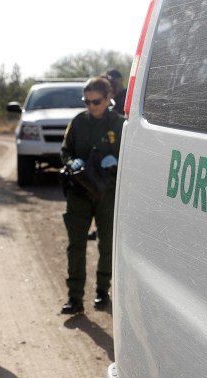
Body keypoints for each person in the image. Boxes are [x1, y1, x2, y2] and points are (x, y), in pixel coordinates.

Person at [59, 76, 126, 314]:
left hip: (108, 193)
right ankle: (74, 298)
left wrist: (118, 161)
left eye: (95, 101)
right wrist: (70, 161)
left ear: (109, 98)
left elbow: (132, 154)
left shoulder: (120, 124)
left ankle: (102, 291)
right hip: (80, 191)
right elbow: (65, 150)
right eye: (86, 102)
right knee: (76, 245)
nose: (90, 106)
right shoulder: (78, 122)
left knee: (107, 244)